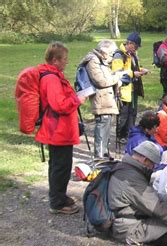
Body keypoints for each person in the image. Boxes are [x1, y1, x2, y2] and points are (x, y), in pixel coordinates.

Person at [108, 141, 167, 246]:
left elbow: (147, 196)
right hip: (129, 228)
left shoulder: (127, 169)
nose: (152, 168)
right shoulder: (130, 179)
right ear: (145, 160)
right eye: (152, 165)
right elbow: (157, 208)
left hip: (133, 218)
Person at [35, 42, 87, 214]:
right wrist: (78, 100)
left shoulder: (54, 75)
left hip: (59, 128)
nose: (66, 62)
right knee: (60, 166)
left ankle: (59, 196)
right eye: (64, 59)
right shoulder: (51, 78)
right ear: (55, 60)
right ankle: (57, 203)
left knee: (61, 164)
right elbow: (59, 105)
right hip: (57, 129)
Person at [79, 39, 121, 159]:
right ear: (104, 51)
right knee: (102, 125)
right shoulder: (93, 60)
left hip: (106, 97)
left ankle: (104, 151)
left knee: (107, 126)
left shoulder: (102, 60)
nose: (113, 55)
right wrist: (117, 77)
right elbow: (101, 81)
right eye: (112, 52)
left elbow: (106, 77)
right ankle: (99, 154)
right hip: (101, 98)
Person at [112, 32, 150, 144]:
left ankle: (130, 134)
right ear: (130, 44)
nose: (137, 48)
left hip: (133, 89)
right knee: (123, 115)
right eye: (136, 46)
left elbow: (136, 67)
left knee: (132, 113)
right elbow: (117, 73)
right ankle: (120, 136)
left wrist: (142, 70)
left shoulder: (133, 55)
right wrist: (133, 74)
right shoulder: (119, 55)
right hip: (123, 90)